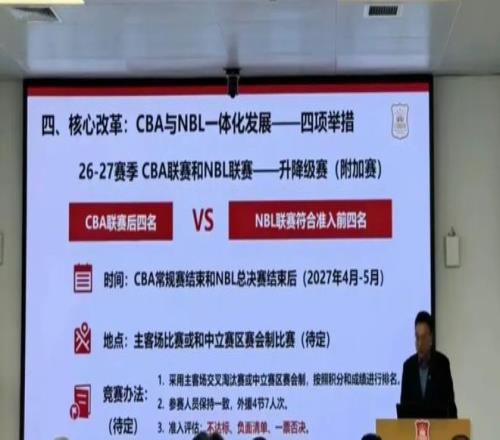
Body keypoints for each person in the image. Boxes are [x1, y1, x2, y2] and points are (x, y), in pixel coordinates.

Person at [400, 311, 457, 418]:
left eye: (423, 337)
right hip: (413, 427)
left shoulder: (442, 364)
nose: (419, 343)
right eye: (417, 337)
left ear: (431, 338)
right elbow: (403, 410)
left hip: (439, 427)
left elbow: (451, 407)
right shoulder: (408, 366)